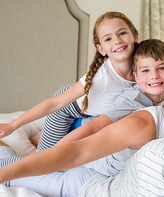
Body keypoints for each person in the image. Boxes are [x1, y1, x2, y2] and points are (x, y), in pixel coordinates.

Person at [0, 53, 164, 196]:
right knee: (12, 172)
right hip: (88, 170)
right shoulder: (144, 123)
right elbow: (76, 153)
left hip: (113, 180)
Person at [0, 11, 139, 165]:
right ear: (101, 49)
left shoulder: (146, 65)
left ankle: (38, 137)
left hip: (91, 112)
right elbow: (55, 103)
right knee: (42, 162)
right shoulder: (102, 78)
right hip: (66, 108)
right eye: (108, 39)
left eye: (122, 33)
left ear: (135, 36)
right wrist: (12, 126)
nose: (117, 41)